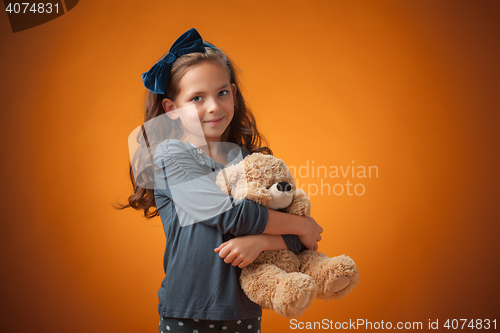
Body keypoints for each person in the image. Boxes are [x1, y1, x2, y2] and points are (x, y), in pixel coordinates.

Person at [119, 28, 323, 333]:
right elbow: (230, 214)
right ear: (172, 110)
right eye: (197, 98)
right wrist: (302, 226)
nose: (213, 106)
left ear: (233, 94)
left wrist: (263, 241)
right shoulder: (171, 157)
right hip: (188, 313)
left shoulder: (249, 161)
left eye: (222, 93)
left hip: (246, 311)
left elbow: (298, 243)